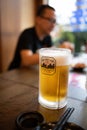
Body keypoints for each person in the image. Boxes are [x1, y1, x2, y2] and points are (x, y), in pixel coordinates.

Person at [8, 4, 56, 70]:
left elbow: (51, 59)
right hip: (15, 74)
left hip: (33, 73)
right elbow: (26, 61)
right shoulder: (27, 34)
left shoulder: (47, 37)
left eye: (54, 21)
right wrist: (56, 51)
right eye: (50, 20)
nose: (53, 25)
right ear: (38, 19)